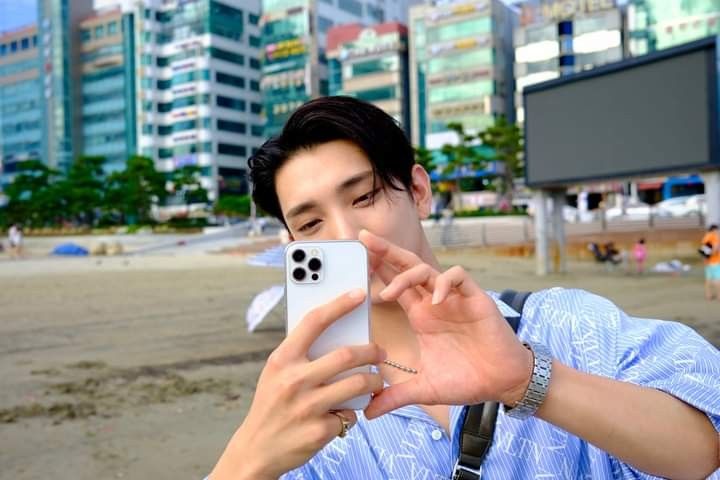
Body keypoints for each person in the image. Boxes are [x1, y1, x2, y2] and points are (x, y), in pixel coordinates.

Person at [209, 97, 720, 480]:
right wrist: (245, 459)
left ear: (418, 191)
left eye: (363, 196)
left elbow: (703, 454)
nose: (346, 236)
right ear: (293, 243)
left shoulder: (568, 324)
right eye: (312, 224)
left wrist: (527, 379)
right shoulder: (311, 409)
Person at [701, 224, 720, 300]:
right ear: (714, 229)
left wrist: (705, 260)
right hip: (716, 261)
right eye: (717, 230)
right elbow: (715, 249)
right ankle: (719, 296)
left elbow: (704, 251)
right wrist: (715, 252)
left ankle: (708, 295)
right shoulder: (714, 236)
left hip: (707, 262)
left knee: (708, 279)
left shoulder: (706, 237)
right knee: (717, 279)